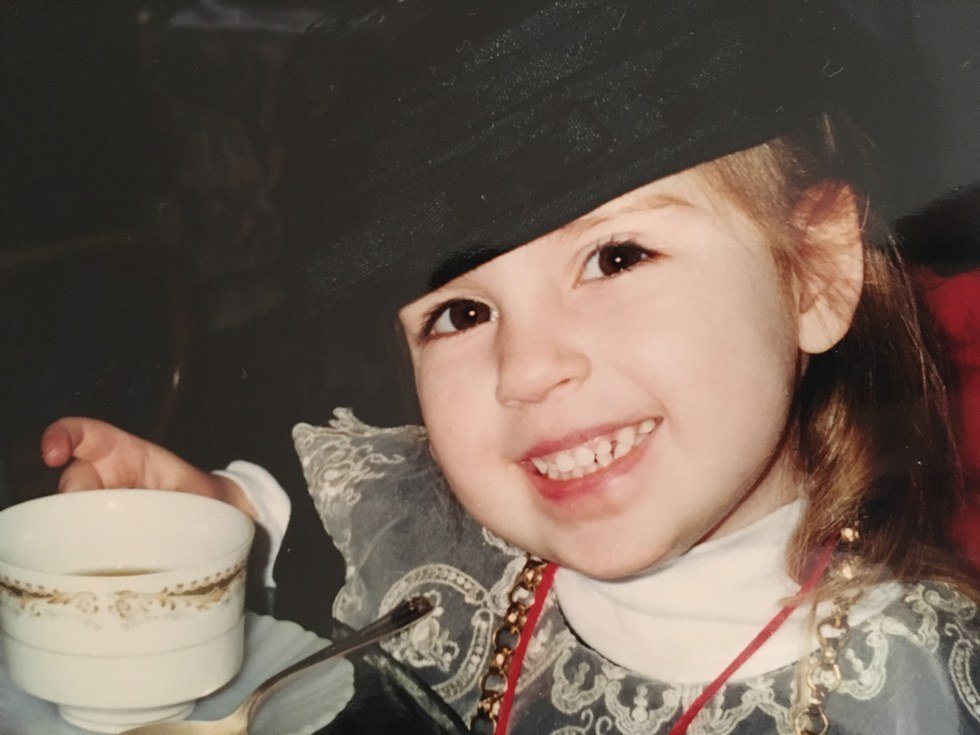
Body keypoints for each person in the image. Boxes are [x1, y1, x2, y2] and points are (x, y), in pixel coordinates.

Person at [39, 2, 980, 733]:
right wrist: (222, 516)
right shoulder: (462, 549)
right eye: (460, 312)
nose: (526, 369)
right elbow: (352, 510)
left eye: (616, 257)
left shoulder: (912, 689)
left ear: (815, 270)